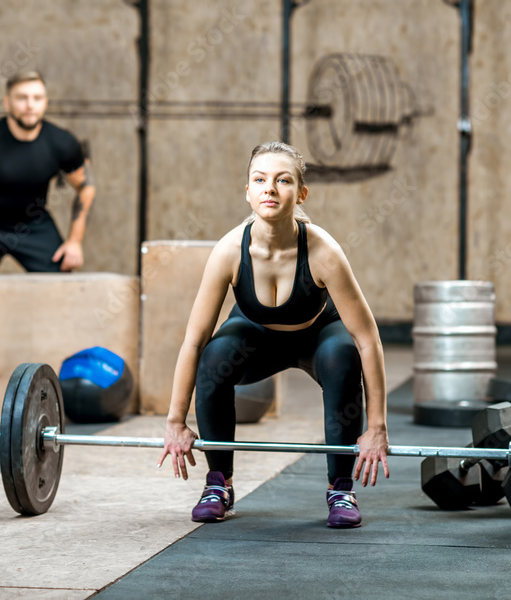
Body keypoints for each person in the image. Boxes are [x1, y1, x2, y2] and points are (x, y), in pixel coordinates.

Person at [157, 141, 390, 529]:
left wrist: (377, 427)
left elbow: (368, 339)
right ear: (247, 191)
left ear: (300, 194)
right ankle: (219, 484)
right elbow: (193, 340)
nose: (270, 188)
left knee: (343, 356)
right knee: (213, 357)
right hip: (254, 337)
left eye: (283, 180)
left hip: (318, 335)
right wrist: (175, 420)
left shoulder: (323, 252)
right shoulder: (229, 251)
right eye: (260, 179)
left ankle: (340, 488)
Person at [0, 71, 95, 273]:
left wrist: (74, 241)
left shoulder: (62, 143)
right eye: (22, 98)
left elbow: (86, 187)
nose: (30, 105)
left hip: (35, 226)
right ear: (7, 103)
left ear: (45, 103)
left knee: (60, 281)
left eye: (37, 98)